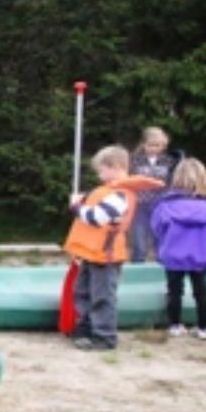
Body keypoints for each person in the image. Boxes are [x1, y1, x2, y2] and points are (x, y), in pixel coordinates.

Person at [65, 146, 165, 352]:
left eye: (101, 170)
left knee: (102, 296)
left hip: (105, 255)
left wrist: (76, 206)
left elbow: (96, 218)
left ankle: (104, 336)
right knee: (83, 291)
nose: (99, 175)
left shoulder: (120, 195)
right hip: (91, 253)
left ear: (116, 167)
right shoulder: (109, 192)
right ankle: (86, 328)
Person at [149, 158, 206, 340]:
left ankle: (175, 325)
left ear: (176, 178)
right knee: (201, 291)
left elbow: (156, 227)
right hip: (200, 254)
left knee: (174, 291)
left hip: (173, 255)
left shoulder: (165, 207)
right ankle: (204, 328)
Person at [128, 126, 181, 264]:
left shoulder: (169, 161)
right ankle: (137, 268)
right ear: (144, 144)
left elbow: (172, 182)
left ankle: (161, 266)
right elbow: (129, 180)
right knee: (139, 241)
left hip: (159, 205)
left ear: (163, 146)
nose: (153, 148)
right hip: (139, 204)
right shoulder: (134, 160)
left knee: (159, 238)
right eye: (150, 145)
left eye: (157, 145)